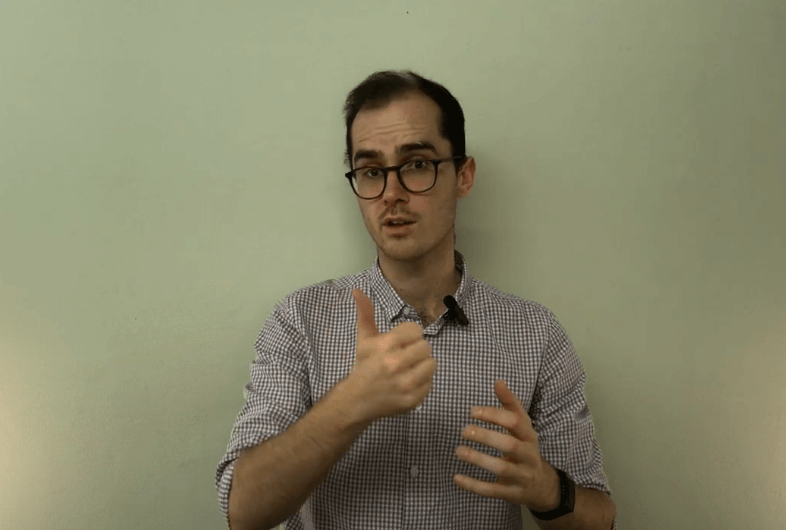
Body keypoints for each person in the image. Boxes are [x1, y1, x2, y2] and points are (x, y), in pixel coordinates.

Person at [216, 70, 617, 530]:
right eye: (370, 171)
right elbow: (243, 511)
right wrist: (349, 404)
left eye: (417, 165)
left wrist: (547, 489)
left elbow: (600, 519)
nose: (391, 193)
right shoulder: (300, 320)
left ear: (463, 175)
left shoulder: (535, 333)